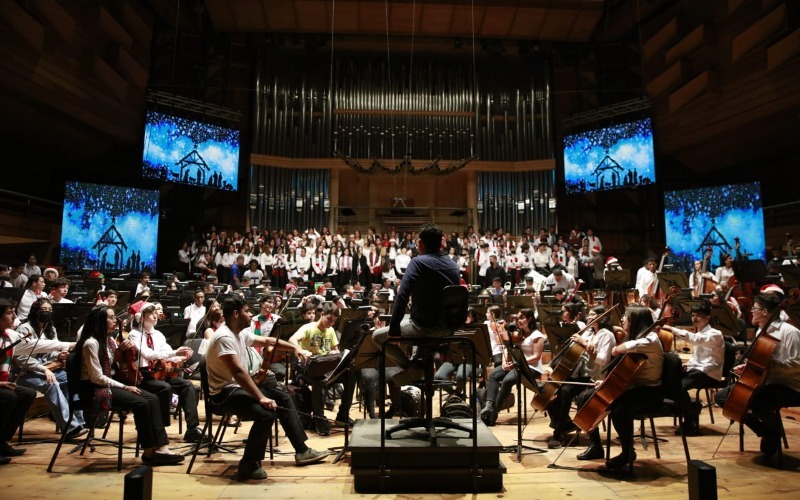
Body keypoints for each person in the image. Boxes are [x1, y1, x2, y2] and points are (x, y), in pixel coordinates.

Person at [206, 296, 327, 480]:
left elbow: (269, 341)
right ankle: (248, 464)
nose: (251, 314)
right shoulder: (224, 337)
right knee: (266, 413)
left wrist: (294, 348)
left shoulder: (240, 333)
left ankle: (302, 450)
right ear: (236, 314)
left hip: (238, 387)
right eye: (247, 311)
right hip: (223, 393)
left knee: (283, 396)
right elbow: (238, 373)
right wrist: (261, 397)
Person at [76, 305, 183, 465]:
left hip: (109, 384)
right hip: (94, 389)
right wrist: (124, 386)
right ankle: (148, 452)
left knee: (153, 399)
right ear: (100, 320)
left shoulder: (110, 340)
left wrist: (128, 351)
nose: (116, 320)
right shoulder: (91, 343)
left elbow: (121, 364)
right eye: (111, 317)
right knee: (141, 402)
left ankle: (161, 447)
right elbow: (97, 377)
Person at [372, 223, 461, 385]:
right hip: (447, 328)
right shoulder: (453, 265)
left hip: (424, 327)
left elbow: (402, 296)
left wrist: (394, 329)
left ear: (420, 243)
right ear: (441, 243)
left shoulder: (418, 262)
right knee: (416, 328)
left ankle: (412, 368)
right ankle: (419, 362)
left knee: (377, 337)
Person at [715, 293, 800, 460]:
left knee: (761, 403)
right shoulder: (762, 330)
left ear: (766, 312)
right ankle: (768, 432)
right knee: (724, 398)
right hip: (763, 381)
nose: (752, 311)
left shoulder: (790, 332)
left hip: (788, 385)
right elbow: (759, 359)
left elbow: (797, 365)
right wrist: (748, 367)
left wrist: (769, 366)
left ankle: (770, 434)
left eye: (755, 309)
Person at [594, 306, 664, 472]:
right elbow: (626, 371)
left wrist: (619, 347)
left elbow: (624, 348)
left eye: (626, 316)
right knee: (600, 400)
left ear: (636, 321)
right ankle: (596, 446)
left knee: (619, 410)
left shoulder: (650, 339)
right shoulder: (638, 337)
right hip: (636, 387)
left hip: (651, 391)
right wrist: (608, 383)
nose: (623, 319)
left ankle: (627, 452)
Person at [127, 302, 204, 443]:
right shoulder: (134, 334)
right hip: (143, 376)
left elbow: (167, 354)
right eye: (151, 313)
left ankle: (192, 429)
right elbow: (148, 354)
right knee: (164, 388)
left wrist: (180, 356)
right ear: (141, 318)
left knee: (188, 385)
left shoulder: (158, 335)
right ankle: (159, 430)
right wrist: (174, 352)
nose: (155, 315)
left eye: (155, 312)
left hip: (159, 374)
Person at [13, 298, 87, 439]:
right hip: (24, 373)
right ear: (35, 311)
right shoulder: (24, 328)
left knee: (71, 378)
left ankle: (80, 422)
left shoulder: (50, 328)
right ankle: (70, 428)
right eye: (44, 310)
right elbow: (21, 358)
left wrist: (60, 354)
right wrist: (44, 369)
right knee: (50, 384)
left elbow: (52, 349)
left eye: (49, 310)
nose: (47, 313)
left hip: (47, 368)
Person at [289, 302, 355, 435]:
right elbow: (292, 339)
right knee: (319, 382)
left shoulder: (330, 330)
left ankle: (342, 414)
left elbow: (335, 350)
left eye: (334, 321)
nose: (331, 323)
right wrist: (301, 350)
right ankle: (319, 419)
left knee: (350, 376)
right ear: (322, 314)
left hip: (325, 367)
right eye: (329, 319)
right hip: (308, 368)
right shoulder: (308, 328)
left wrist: (335, 353)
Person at [661, 302, 724, 435]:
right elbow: (697, 358)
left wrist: (670, 328)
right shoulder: (700, 332)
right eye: (693, 315)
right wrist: (687, 366)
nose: (694, 319)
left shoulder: (715, 334)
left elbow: (695, 340)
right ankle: (693, 407)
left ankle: (689, 419)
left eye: (699, 316)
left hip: (709, 373)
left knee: (680, 387)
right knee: (669, 381)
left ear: (707, 318)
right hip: (697, 370)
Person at [479, 308, 545, 426]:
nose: (518, 320)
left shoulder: (537, 335)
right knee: (494, 375)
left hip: (532, 367)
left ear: (529, 319)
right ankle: (489, 404)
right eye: (517, 318)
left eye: (521, 318)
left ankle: (494, 411)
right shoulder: (518, 333)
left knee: (508, 380)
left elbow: (536, 357)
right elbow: (509, 349)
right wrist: (505, 361)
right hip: (517, 364)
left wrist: (517, 363)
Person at [0, 300, 47, 463]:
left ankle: (3, 441)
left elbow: (37, 344)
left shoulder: (10, 335)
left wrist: (68, 345)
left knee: (27, 394)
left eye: (14, 312)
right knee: (9, 397)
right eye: (9, 312)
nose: (14, 316)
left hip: (4, 383)